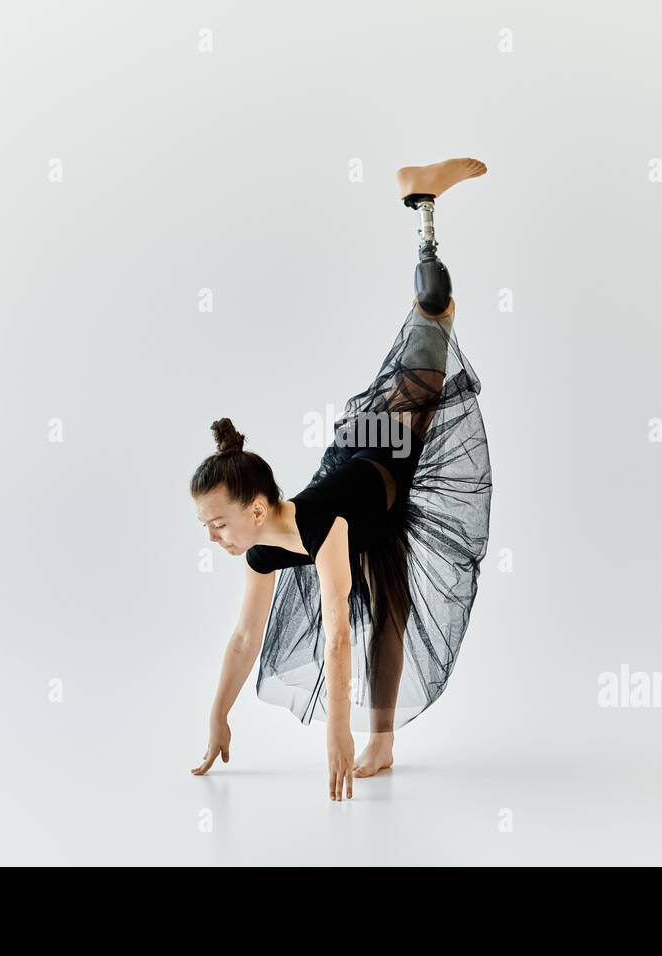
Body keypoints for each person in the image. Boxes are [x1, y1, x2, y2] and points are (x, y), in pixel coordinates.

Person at [190, 158, 492, 801]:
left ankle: (424, 209)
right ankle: (386, 739)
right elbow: (246, 637)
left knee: (435, 316)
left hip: (386, 442)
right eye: (206, 526)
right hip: (363, 492)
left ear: (259, 504)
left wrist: (337, 733)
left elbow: (334, 637)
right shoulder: (264, 547)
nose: (215, 536)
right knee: (391, 604)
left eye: (219, 522)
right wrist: (219, 713)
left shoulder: (317, 529)